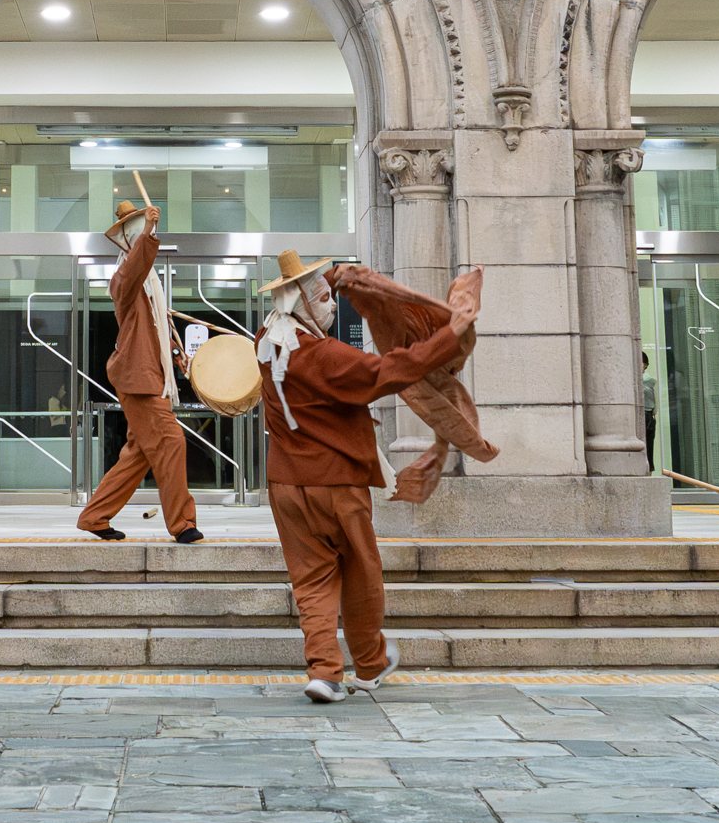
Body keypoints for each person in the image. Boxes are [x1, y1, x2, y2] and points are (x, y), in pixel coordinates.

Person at [254, 248, 483, 706]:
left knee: (312, 580)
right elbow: (387, 372)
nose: (332, 305)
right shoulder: (323, 356)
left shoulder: (266, 342)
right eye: (323, 297)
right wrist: (449, 334)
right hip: (336, 482)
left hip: (285, 483)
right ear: (299, 301)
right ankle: (371, 663)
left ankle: (325, 672)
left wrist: (350, 281)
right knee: (361, 575)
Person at [74, 195, 202, 543]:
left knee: (139, 453)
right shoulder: (123, 280)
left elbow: (158, 329)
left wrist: (176, 354)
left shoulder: (149, 287)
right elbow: (136, 267)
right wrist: (149, 232)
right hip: (138, 377)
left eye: (140, 227)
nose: (140, 233)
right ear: (128, 239)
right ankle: (183, 524)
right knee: (171, 440)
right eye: (134, 230)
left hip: (146, 375)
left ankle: (94, 516)